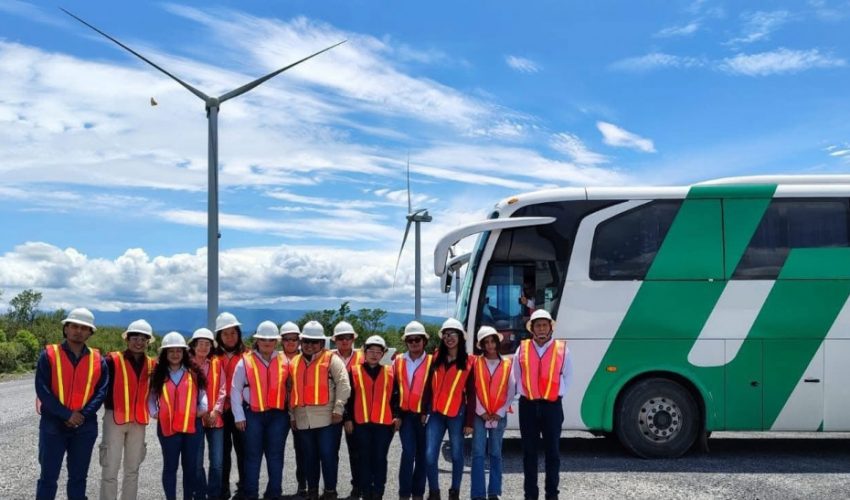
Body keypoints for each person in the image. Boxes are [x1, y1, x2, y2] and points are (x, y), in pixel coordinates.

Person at [35, 307, 109, 500]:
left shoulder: (98, 360)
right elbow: (42, 389)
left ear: (90, 333)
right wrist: (67, 414)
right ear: (66, 329)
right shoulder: (49, 355)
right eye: (74, 326)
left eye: (84, 328)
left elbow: (101, 392)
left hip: (84, 427)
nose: (78, 331)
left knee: (78, 478)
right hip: (53, 426)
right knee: (48, 478)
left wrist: (81, 415)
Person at [512, 309, 572, 500]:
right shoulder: (521, 349)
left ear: (550, 327)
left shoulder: (562, 349)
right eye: (537, 325)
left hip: (552, 407)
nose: (541, 328)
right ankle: (530, 495)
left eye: (545, 325)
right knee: (529, 454)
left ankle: (552, 494)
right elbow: (516, 376)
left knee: (552, 453)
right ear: (532, 329)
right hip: (528, 406)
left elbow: (568, 376)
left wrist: (557, 394)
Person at [289, 321, 351, 500]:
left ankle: (330, 491)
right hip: (303, 419)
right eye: (306, 341)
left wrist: (338, 409)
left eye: (314, 341)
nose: (310, 345)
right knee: (309, 458)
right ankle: (313, 491)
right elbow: (290, 390)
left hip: (327, 419)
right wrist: (292, 415)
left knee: (328, 456)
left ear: (322, 343)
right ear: (301, 342)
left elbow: (344, 385)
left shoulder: (332, 359)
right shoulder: (294, 362)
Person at [231, 321, 291, 500]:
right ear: (257, 341)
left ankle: (273, 494)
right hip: (252, 415)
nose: (267, 342)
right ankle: (251, 494)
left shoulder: (285, 361)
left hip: (278, 416)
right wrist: (239, 416)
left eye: (271, 339)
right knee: (252, 457)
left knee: (275, 457)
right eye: (263, 339)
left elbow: (290, 388)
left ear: (276, 342)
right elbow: (235, 389)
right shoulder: (245, 361)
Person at [100, 319, 157, 500]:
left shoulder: (152, 365)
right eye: (135, 338)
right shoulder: (111, 360)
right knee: (110, 469)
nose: (139, 342)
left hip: (138, 422)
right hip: (114, 419)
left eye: (143, 339)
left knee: (133, 470)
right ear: (127, 339)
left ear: (148, 342)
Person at [149, 331, 209, 500]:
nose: (175, 354)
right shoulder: (158, 373)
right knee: (170, 467)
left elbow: (203, 393)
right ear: (165, 353)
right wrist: (154, 412)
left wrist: (203, 407)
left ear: (184, 352)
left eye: (178, 351)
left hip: (192, 427)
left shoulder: (194, 372)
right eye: (171, 351)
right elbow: (152, 397)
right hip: (167, 428)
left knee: (190, 468)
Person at [423, 318, 475, 500]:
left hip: (457, 414)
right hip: (435, 413)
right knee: (429, 455)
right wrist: (424, 410)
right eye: (445, 334)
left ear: (460, 337)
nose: (448, 337)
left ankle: (455, 491)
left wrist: (469, 422)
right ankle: (434, 492)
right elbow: (428, 386)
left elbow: (472, 394)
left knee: (456, 455)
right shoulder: (436, 357)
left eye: (453, 333)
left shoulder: (469, 362)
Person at [343, 335, 399, 500]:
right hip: (361, 424)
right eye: (371, 351)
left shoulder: (390, 372)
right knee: (364, 459)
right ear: (364, 352)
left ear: (383, 354)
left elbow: (396, 397)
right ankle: (366, 492)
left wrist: (397, 416)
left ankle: (378, 491)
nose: (374, 354)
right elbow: (347, 397)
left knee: (380, 458)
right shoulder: (353, 371)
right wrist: (347, 418)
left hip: (383, 424)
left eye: (378, 351)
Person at [469, 326, 515, 500]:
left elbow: (511, 389)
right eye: (486, 342)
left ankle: (494, 492)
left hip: (498, 416)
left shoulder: (507, 364)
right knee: (478, 454)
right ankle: (477, 494)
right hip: (479, 416)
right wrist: (481, 411)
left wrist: (500, 411)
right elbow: (471, 390)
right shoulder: (475, 363)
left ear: (497, 341)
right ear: (481, 345)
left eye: (492, 341)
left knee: (496, 453)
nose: (490, 345)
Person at [394, 321, 432, 500]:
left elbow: (435, 390)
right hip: (406, 416)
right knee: (408, 452)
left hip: (425, 417)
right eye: (410, 340)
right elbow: (394, 390)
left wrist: (428, 411)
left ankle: (418, 493)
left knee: (423, 455)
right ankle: (404, 494)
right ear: (406, 342)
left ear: (424, 341)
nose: (414, 343)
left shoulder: (432, 362)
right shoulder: (398, 361)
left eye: (418, 339)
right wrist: (397, 415)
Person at [190, 328, 227, 500]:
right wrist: (201, 413)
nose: (204, 347)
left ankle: (214, 495)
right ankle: (200, 494)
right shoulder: (187, 364)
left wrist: (216, 410)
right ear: (194, 345)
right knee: (196, 463)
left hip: (215, 418)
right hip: (194, 419)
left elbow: (223, 388)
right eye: (201, 344)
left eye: (207, 344)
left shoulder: (217, 363)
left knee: (217, 462)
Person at [215, 311, 248, 499]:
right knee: (222, 454)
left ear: (239, 334)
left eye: (233, 332)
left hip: (241, 411)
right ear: (219, 336)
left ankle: (244, 486)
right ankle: (222, 487)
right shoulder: (212, 357)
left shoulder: (247, 355)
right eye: (225, 333)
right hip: (220, 411)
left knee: (243, 451)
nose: (230, 337)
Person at [330, 321, 364, 500]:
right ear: (334, 340)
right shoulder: (327, 357)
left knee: (356, 451)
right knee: (330, 451)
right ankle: (331, 488)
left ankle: (357, 486)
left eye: (348, 337)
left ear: (353, 339)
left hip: (356, 409)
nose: (344, 341)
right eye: (341, 338)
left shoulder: (363, 357)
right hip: (333, 409)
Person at [280, 321, 308, 498]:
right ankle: (275, 486)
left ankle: (302, 485)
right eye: (287, 339)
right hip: (278, 411)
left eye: (294, 339)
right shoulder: (276, 358)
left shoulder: (306, 358)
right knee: (275, 451)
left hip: (299, 411)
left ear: (299, 341)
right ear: (281, 341)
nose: (290, 342)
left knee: (302, 450)